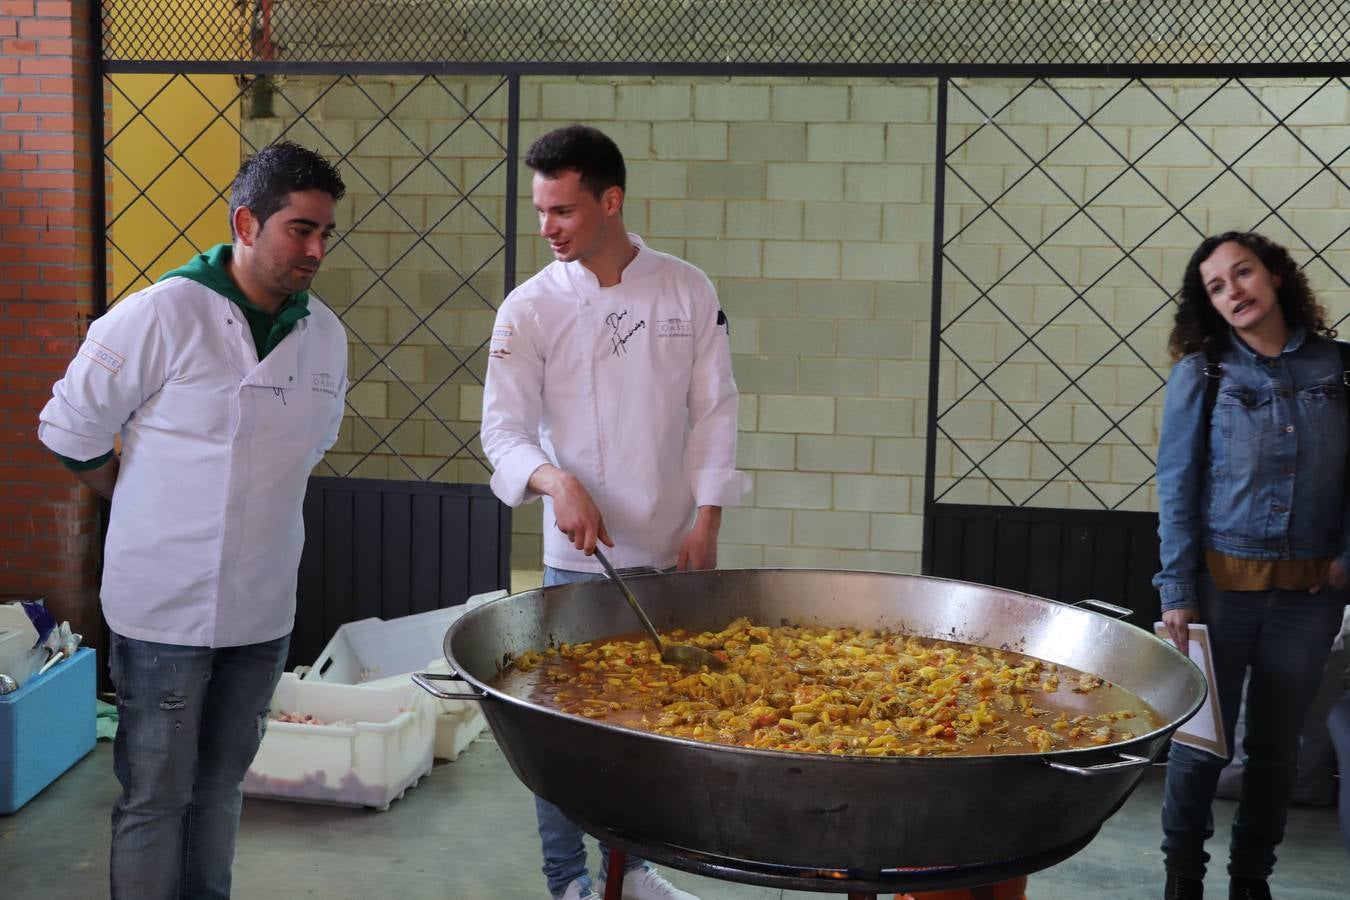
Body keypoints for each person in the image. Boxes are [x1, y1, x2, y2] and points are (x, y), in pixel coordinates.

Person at [37, 141, 348, 899]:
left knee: (220, 792)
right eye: (300, 230)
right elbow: (69, 429)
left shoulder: (324, 335)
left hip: (263, 614)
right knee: (156, 797)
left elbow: (309, 450)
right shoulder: (162, 312)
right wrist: (134, 494)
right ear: (247, 222)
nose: (316, 249)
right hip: (162, 612)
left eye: (325, 234)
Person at [481, 124, 748, 900]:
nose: (547, 228)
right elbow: (501, 428)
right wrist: (553, 482)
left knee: (654, 722)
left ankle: (633, 875)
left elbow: (715, 412)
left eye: (562, 211)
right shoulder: (529, 309)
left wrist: (708, 517)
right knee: (568, 725)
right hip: (578, 555)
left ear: (611, 200)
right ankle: (568, 882)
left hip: (671, 546)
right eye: (540, 211)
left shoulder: (686, 288)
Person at [1153, 231, 1350, 900]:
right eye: (1216, 285)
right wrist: (1176, 592)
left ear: (1274, 276)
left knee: (1275, 751)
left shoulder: (1340, 369)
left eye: (1243, 273)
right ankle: (1183, 875)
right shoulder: (1203, 374)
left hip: (1310, 597)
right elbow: (1176, 486)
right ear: (1208, 304)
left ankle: (1251, 879)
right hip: (1215, 596)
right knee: (1199, 745)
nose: (1233, 290)